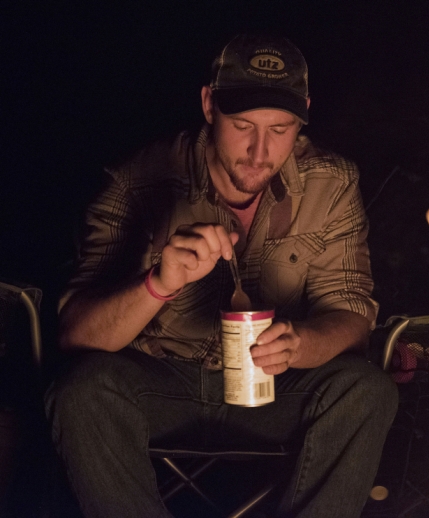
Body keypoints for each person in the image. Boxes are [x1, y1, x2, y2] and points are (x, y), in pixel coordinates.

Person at [45, 34, 398, 518]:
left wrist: (302, 344)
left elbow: (353, 312)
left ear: (304, 115)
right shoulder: (137, 180)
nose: (259, 150)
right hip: (160, 386)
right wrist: (158, 285)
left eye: (281, 128)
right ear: (210, 104)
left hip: (275, 392)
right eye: (243, 125)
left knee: (366, 391)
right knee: (82, 393)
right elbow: (74, 334)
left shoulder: (331, 184)